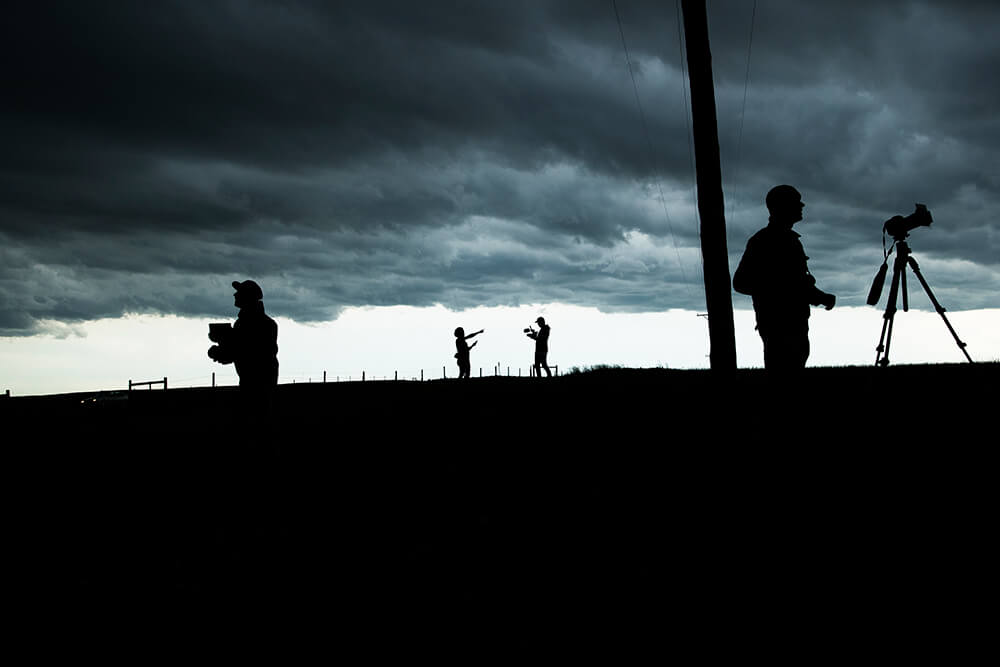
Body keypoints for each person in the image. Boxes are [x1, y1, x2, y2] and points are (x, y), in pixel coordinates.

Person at [732, 185, 836, 370]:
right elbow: (741, 283)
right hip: (779, 327)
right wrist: (780, 291)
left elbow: (798, 284)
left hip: (793, 323)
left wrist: (819, 296)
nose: (801, 205)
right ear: (783, 207)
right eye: (796, 202)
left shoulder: (789, 240)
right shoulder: (763, 241)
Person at [208, 280, 279, 411]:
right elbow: (241, 350)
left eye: (239, 292)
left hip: (256, 385)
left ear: (247, 297)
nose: (235, 295)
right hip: (257, 382)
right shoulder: (263, 323)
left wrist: (220, 347)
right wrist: (223, 343)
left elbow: (244, 352)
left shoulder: (248, 324)